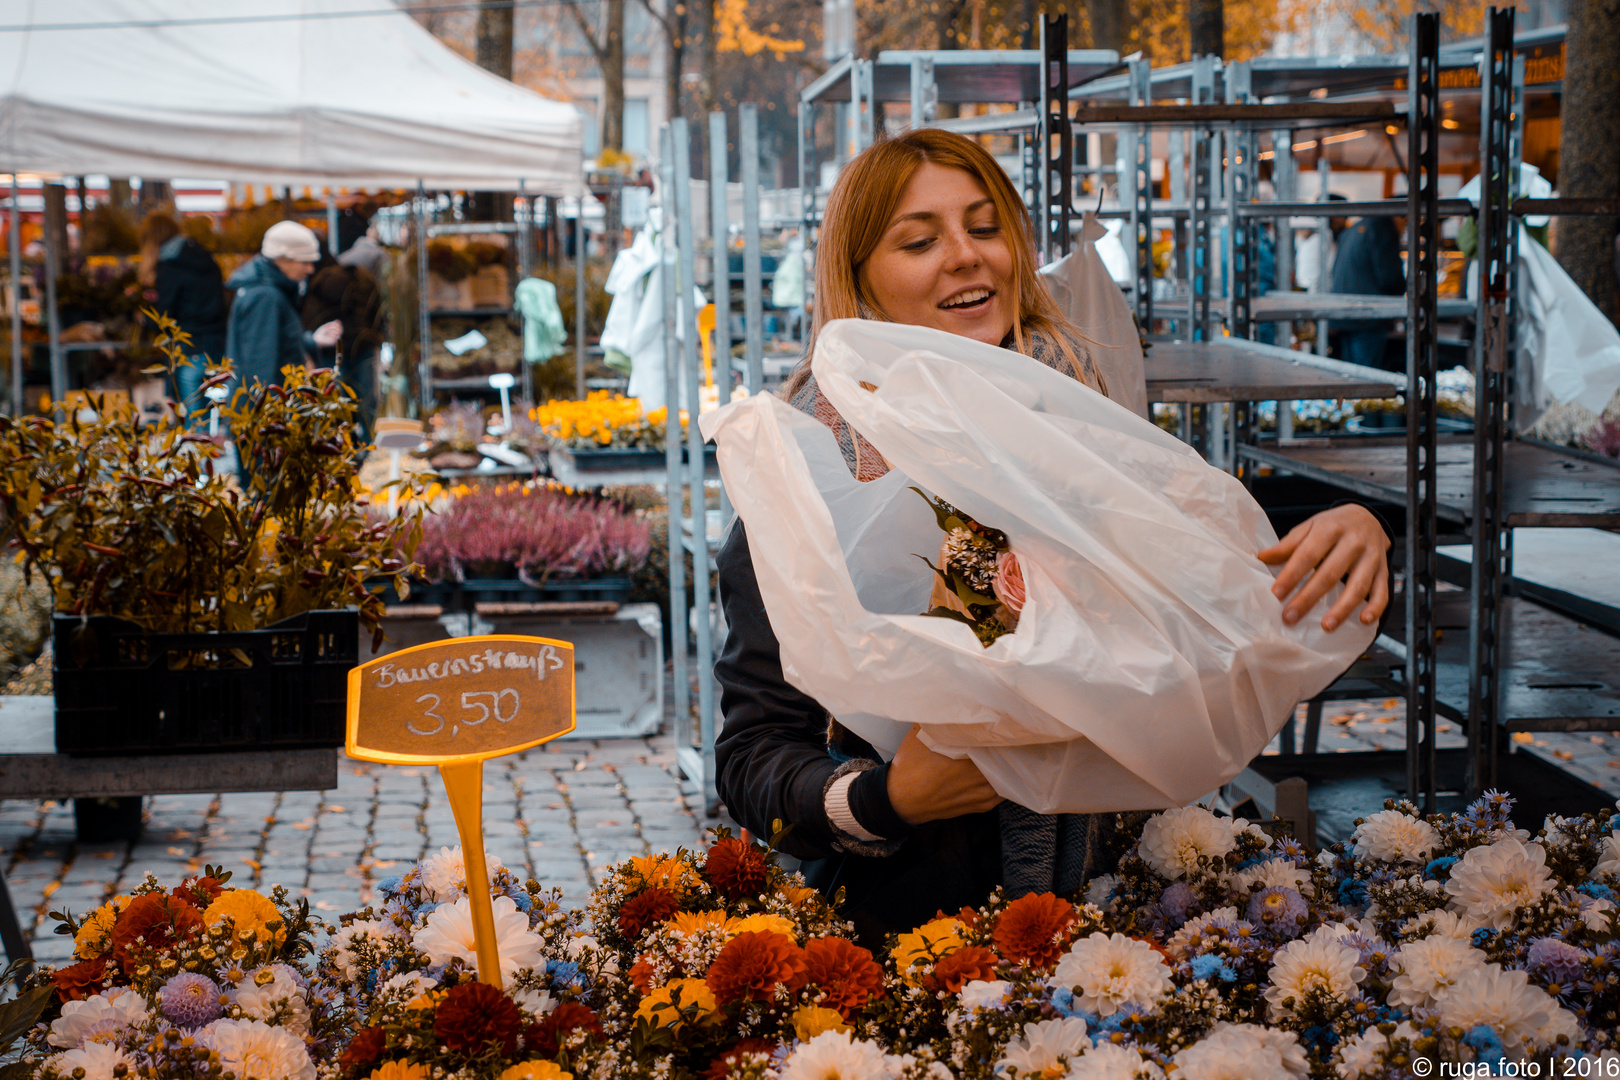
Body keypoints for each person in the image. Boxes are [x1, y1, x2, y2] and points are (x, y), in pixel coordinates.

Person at [712, 128, 1392, 945]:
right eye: (920, 240)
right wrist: (884, 798)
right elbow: (753, 757)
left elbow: (1216, 596)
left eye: (986, 227)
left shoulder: (1093, 441)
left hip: (1137, 912)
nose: (967, 256)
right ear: (859, 279)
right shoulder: (811, 489)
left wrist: (1351, 532)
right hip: (928, 943)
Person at [224, 220, 342, 390]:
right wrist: (270, 413)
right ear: (283, 259)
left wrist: (311, 341)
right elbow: (258, 368)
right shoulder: (264, 297)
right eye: (305, 262)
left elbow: (276, 345)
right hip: (271, 409)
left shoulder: (270, 291)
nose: (310, 270)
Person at [138, 210, 227, 422]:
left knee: (193, 427)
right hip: (215, 347)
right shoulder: (206, 258)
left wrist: (144, 317)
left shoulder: (170, 267)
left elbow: (164, 318)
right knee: (213, 422)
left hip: (188, 349)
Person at [301, 259, 384, 443]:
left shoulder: (319, 284)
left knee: (336, 403)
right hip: (363, 348)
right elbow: (378, 314)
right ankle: (370, 449)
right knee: (366, 401)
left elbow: (309, 317)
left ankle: (344, 449)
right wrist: (376, 338)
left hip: (331, 351)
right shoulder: (363, 279)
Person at [1327, 201, 1406, 371]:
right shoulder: (1383, 228)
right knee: (1366, 378)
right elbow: (1390, 276)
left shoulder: (1356, 228)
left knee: (1350, 376)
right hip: (1367, 317)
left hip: (1344, 314)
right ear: (1400, 214)